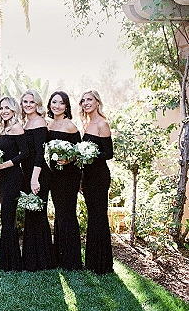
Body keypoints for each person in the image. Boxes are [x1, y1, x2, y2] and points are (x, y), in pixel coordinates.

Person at [0, 96, 28, 271]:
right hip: (1, 178)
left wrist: (4, 165)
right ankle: (7, 260)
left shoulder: (17, 127)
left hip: (12, 177)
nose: (4, 111)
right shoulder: (3, 128)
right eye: (1, 108)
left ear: (14, 110)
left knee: (8, 216)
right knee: (6, 216)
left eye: (7, 108)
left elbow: (24, 153)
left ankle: (12, 263)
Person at [20, 89, 56, 271]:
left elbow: (40, 154)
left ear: (37, 104)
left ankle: (43, 261)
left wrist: (34, 179)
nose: (28, 105)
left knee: (38, 214)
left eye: (31, 102)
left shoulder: (40, 122)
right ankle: (30, 259)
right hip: (28, 174)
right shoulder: (25, 123)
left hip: (39, 175)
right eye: (25, 102)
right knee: (31, 214)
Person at [47, 91, 83, 270]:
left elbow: (79, 153)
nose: (57, 106)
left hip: (69, 175)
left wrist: (68, 160)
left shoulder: (70, 126)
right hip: (54, 175)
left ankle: (72, 260)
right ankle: (59, 256)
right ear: (50, 104)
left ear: (67, 106)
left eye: (61, 103)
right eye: (54, 102)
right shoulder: (49, 124)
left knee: (67, 214)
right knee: (59, 214)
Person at [79, 90, 114, 274]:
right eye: (83, 100)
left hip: (99, 177)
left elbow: (109, 153)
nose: (86, 103)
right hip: (88, 176)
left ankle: (103, 265)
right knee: (93, 216)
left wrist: (90, 155)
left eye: (89, 100)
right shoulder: (87, 124)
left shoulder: (102, 123)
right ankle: (92, 262)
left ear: (97, 102)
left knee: (99, 217)